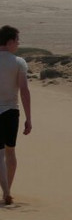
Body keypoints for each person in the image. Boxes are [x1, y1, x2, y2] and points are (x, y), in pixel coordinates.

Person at [0, 25, 32, 205]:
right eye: (17, 40)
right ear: (10, 41)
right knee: (10, 152)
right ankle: (7, 191)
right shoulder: (18, 62)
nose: (18, 44)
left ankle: (5, 190)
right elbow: (24, 91)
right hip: (11, 111)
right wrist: (29, 117)